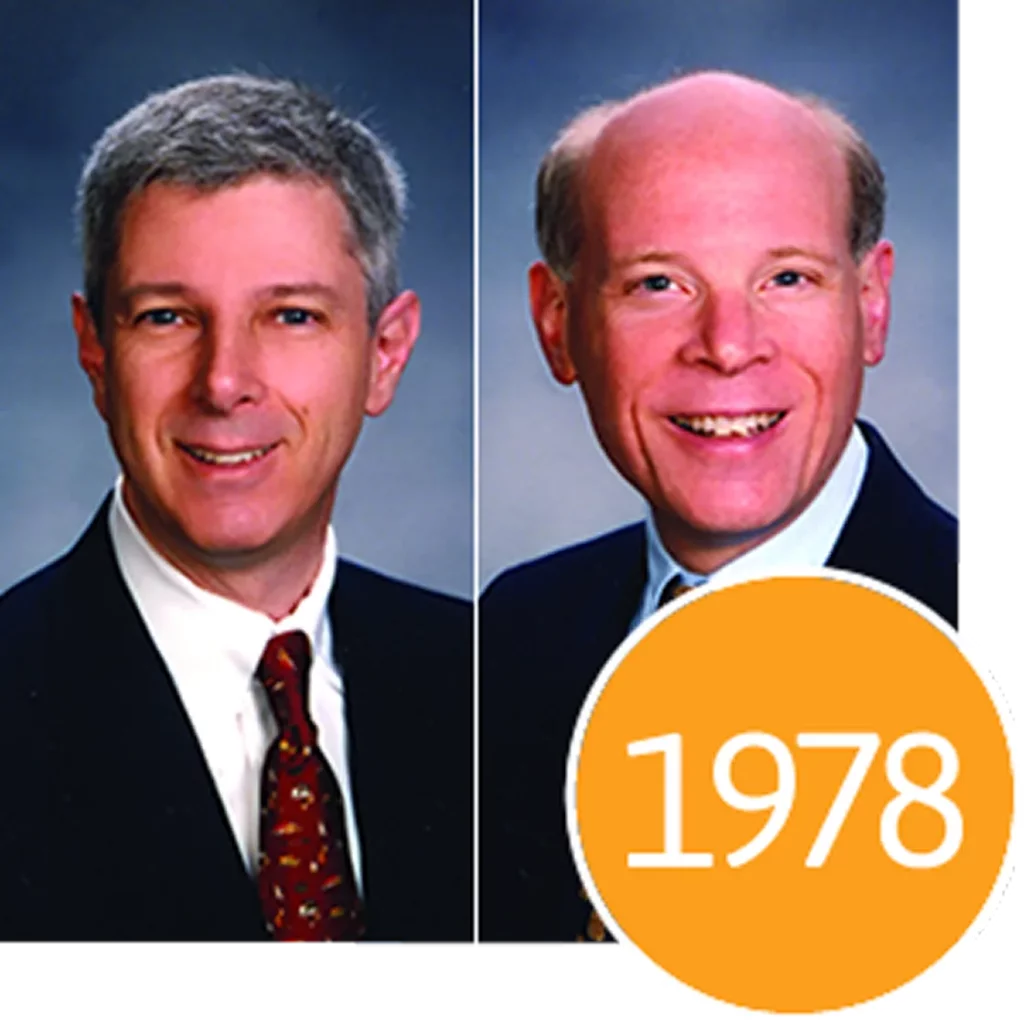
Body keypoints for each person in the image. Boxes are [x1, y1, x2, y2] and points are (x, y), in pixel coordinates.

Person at [480, 71, 963, 947]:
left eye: (786, 277)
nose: (729, 347)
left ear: (872, 302)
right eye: (658, 285)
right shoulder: (506, 638)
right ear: (557, 323)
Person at [0, 74, 471, 946]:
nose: (223, 383)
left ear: (386, 353)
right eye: (167, 317)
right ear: (94, 350)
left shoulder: (496, 685)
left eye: (291, 315)